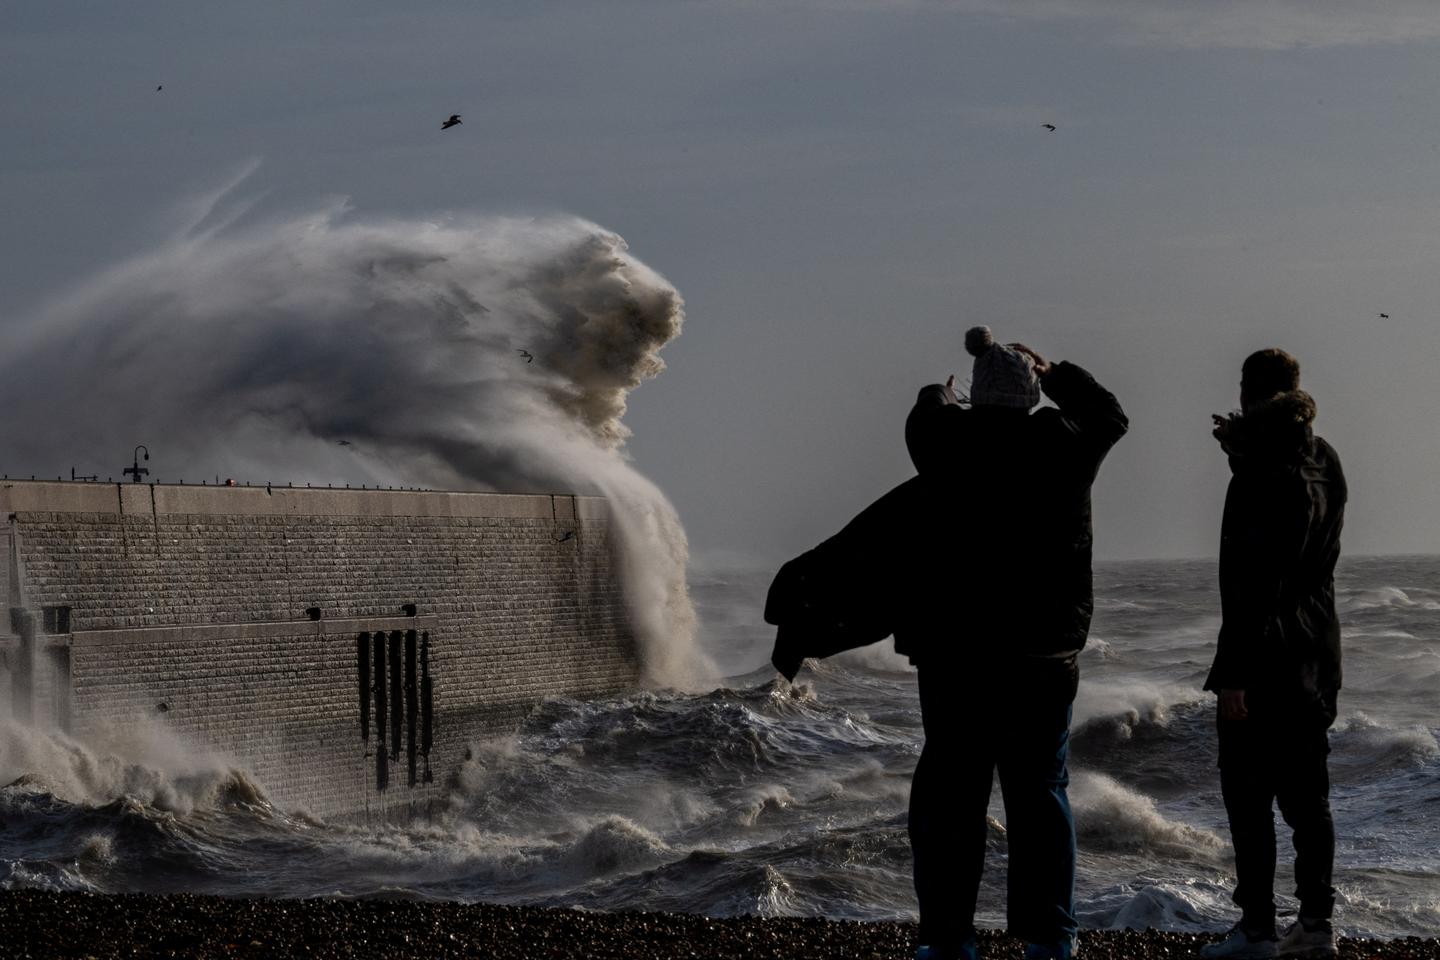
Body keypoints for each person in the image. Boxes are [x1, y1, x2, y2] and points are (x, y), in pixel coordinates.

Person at [901, 326, 1128, 960]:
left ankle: (949, 941)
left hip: (957, 658)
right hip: (1043, 658)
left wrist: (941, 394)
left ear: (976, 397)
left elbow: (925, 414)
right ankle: (1050, 937)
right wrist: (1053, 369)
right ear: (1031, 397)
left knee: (952, 800)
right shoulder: (1064, 443)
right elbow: (1111, 414)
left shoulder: (945, 441)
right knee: (1040, 798)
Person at [1200, 349, 1347, 960]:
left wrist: (1232, 673)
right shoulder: (1322, 457)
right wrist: (1245, 450)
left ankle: (1257, 929)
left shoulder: (1263, 473)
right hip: (1316, 652)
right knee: (1309, 801)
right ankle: (1315, 925)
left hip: (1265, 657)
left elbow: (1254, 581)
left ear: (1249, 395)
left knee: (1249, 799)